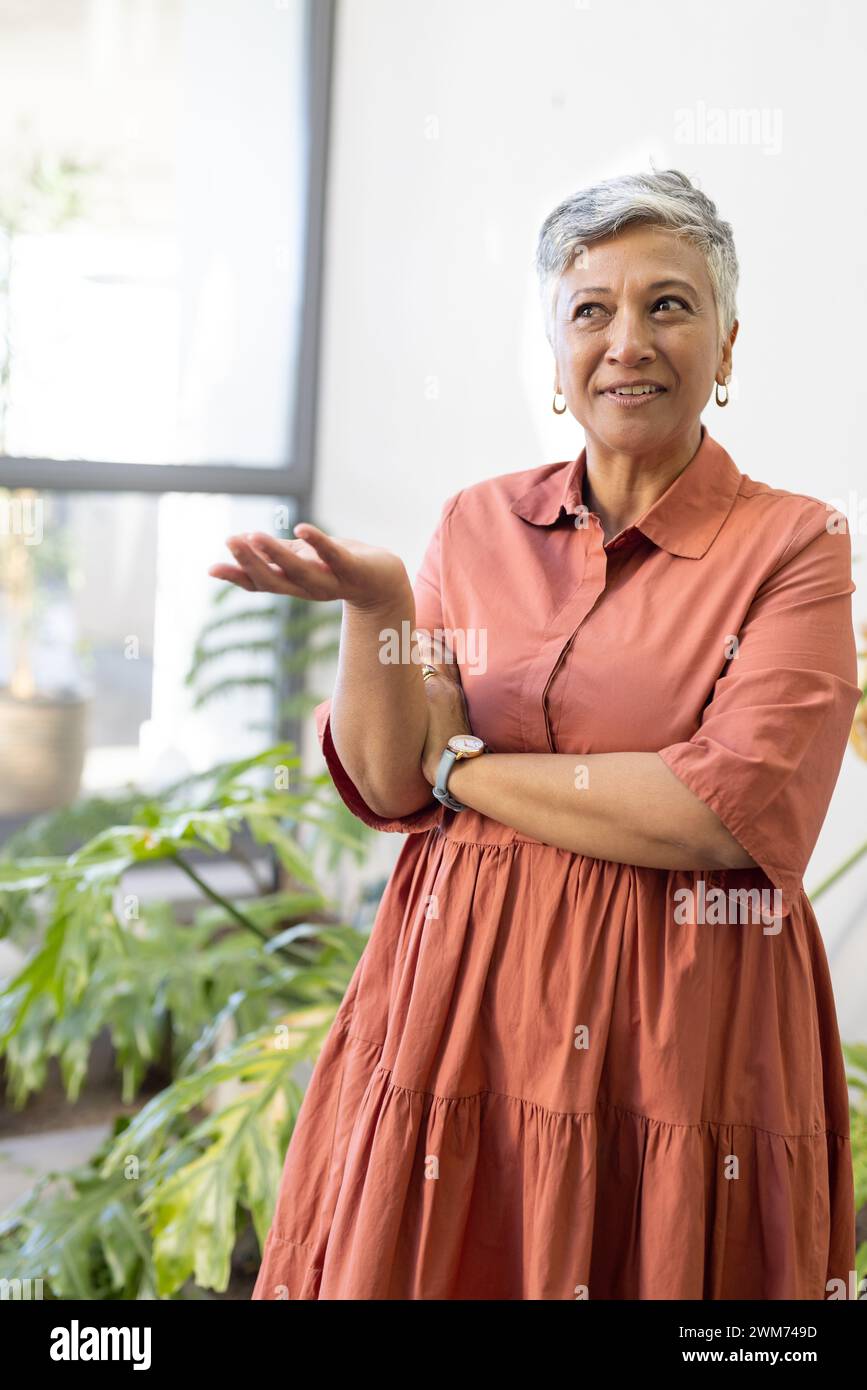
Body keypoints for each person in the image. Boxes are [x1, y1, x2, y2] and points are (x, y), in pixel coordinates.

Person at [210, 169, 861, 1300]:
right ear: (556, 352)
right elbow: (385, 773)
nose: (629, 341)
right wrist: (380, 609)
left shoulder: (795, 546)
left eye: (669, 305)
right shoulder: (475, 523)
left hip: (680, 1023)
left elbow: (722, 815)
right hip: (458, 1004)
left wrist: (463, 764)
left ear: (728, 342)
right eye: (591, 310)